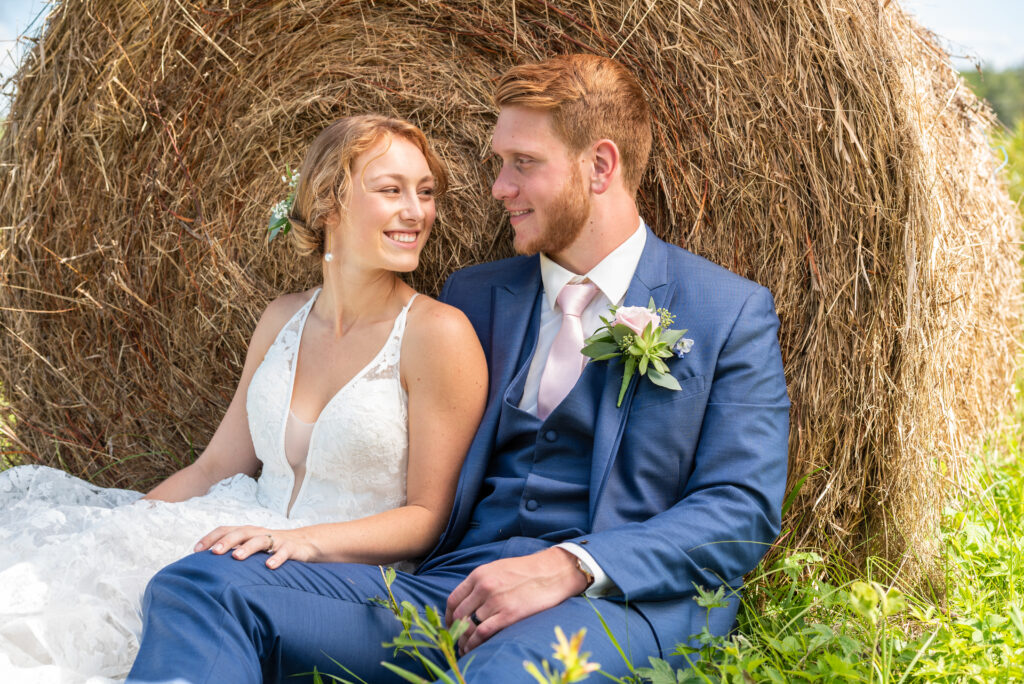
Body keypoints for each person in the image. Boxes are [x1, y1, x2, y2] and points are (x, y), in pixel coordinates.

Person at [128, 54, 789, 684]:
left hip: (611, 603)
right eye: (499, 163)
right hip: (448, 593)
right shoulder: (476, 296)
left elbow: (742, 510)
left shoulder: (725, 311)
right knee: (203, 584)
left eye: (523, 163)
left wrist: (571, 566)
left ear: (600, 166)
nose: (499, 187)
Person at [0, 114, 487, 683]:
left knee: (168, 600)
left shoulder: (437, 334)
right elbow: (215, 467)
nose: (417, 211)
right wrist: (114, 530)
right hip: (239, 529)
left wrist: (299, 542)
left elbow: (426, 518)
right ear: (328, 203)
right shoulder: (283, 318)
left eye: (425, 192)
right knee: (67, 598)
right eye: (391, 190)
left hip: (344, 575)